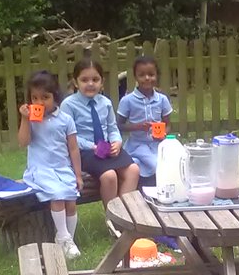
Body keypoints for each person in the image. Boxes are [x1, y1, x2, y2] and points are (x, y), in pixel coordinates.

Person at [60, 58, 140, 238]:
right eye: (84, 80)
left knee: (133, 170)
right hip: (84, 151)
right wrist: (92, 146)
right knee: (110, 175)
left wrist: (117, 142)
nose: (90, 84)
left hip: (106, 148)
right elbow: (68, 135)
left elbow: (112, 127)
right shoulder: (69, 105)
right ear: (75, 82)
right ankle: (112, 220)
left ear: (102, 82)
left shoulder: (105, 103)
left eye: (95, 80)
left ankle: (125, 216)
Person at [19, 70, 83, 260]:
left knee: (71, 200)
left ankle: (67, 239)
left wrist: (77, 174)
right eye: (34, 98)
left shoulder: (65, 120)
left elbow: (73, 149)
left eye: (45, 97)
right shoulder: (32, 119)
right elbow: (23, 142)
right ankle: (63, 237)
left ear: (55, 97)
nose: (39, 103)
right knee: (57, 196)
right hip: (41, 170)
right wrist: (25, 119)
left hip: (62, 169)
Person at [116, 55, 173, 187]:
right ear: (135, 76)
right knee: (156, 164)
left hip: (157, 144)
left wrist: (163, 134)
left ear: (157, 76)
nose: (147, 78)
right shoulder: (128, 100)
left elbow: (168, 124)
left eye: (151, 74)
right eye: (142, 75)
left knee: (174, 161)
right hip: (137, 145)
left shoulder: (162, 100)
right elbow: (119, 126)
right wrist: (137, 127)